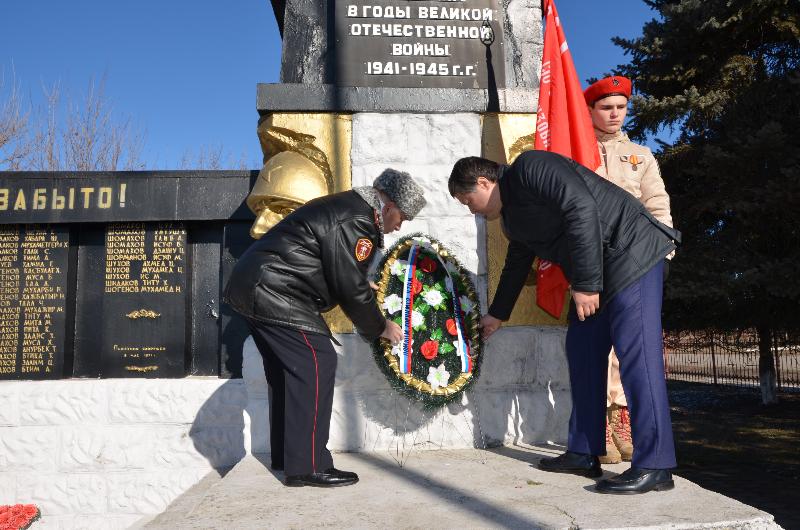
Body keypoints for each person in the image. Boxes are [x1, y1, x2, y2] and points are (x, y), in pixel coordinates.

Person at [449, 152, 680, 494]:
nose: (473, 210)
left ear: (484, 183)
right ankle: (584, 452)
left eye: (469, 201)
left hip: (633, 254)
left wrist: (585, 284)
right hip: (600, 272)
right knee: (582, 350)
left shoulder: (530, 167)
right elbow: (517, 261)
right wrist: (497, 315)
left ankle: (655, 466)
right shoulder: (512, 218)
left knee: (638, 359)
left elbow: (581, 208)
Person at [224, 168, 425, 487]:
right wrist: (380, 326)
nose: (399, 225)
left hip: (258, 285)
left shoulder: (349, 208)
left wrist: (361, 283)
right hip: (277, 290)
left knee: (288, 371)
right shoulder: (358, 219)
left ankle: (288, 458)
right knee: (316, 362)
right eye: (402, 217)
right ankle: (309, 465)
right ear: (387, 207)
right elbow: (348, 285)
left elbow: (332, 265)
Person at [585, 75, 674, 464]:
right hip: (593, 258)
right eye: (606, 108)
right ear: (590, 110)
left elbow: (657, 205)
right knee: (596, 343)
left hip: (636, 258)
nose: (615, 114)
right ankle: (599, 422)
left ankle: (622, 419)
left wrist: (664, 253)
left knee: (630, 344)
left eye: (621, 107)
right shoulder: (579, 150)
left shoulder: (641, 154)